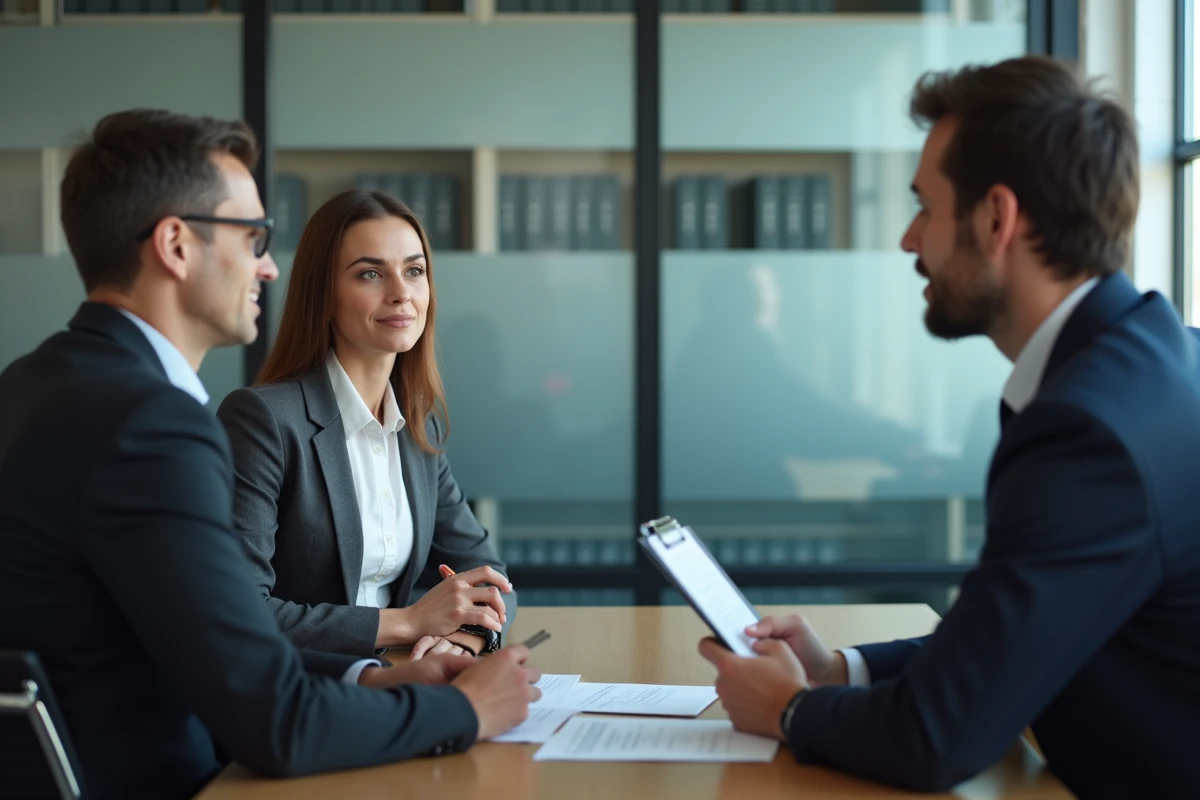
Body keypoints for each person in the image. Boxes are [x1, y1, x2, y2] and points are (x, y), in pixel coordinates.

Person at [698, 56, 1200, 798]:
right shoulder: (1157, 362)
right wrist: (839, 670)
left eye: (925, 207)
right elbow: (1015, 639)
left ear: (997, 219)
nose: (910, 239)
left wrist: (790, 710)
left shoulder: (1088, 431)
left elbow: (938, 736)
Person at [0, 109, 540, 800]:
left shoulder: (32, 382)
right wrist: (464, 711)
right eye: (252, 236)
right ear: (175, 245)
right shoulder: (151, 426)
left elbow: (217, 652)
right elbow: (274, 719)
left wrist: (374, 676)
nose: (268, 265)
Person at [218, 190, 515, 661]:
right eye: (370, 273)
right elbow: (239, 610)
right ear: (324, 295)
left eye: (414, 271)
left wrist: (464, 639)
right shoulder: (264, 420)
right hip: (302, 689)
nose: (401, 293)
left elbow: (490, 576)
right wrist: (409, 621)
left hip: (400, 676)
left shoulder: (415, 428)